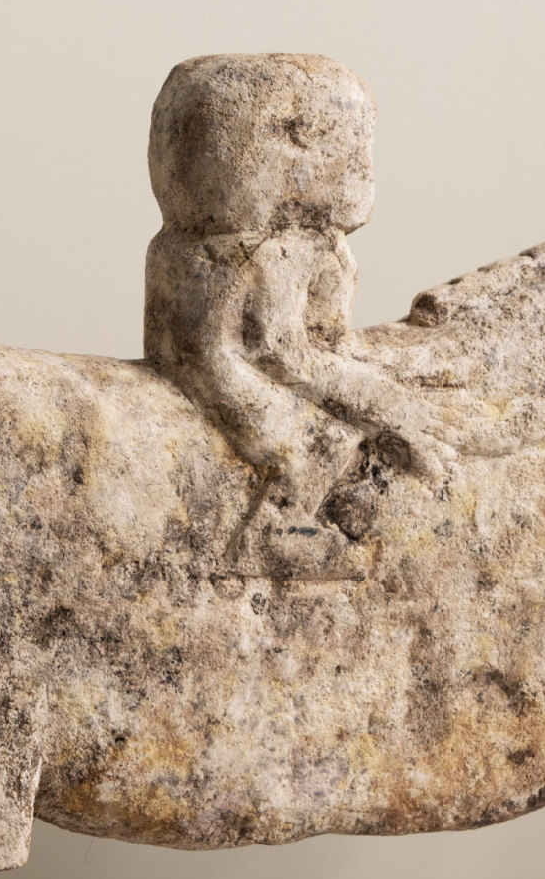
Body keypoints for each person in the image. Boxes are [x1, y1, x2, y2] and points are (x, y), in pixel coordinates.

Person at [143, 52, 459, 575]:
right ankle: (272, 535)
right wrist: (385, 411)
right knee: (318, 440)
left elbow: (326, 345)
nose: (359, 167)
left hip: (244, 364)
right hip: (229, 375)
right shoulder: (258, 256)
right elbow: (281, 355)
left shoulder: (271, 249)